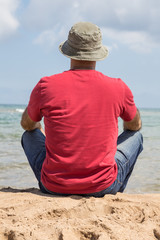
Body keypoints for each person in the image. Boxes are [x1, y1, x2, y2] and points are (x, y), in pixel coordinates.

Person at [21, 22, 143, 197]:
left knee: (29, 135)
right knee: (136, 136)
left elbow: (27, 125)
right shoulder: (118, 87)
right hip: (104, 187)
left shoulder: (46, 85)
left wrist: (37, 127)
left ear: (69, 50)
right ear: (98, 52)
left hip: (54, 186)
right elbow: (134, 125)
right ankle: (114, 189)